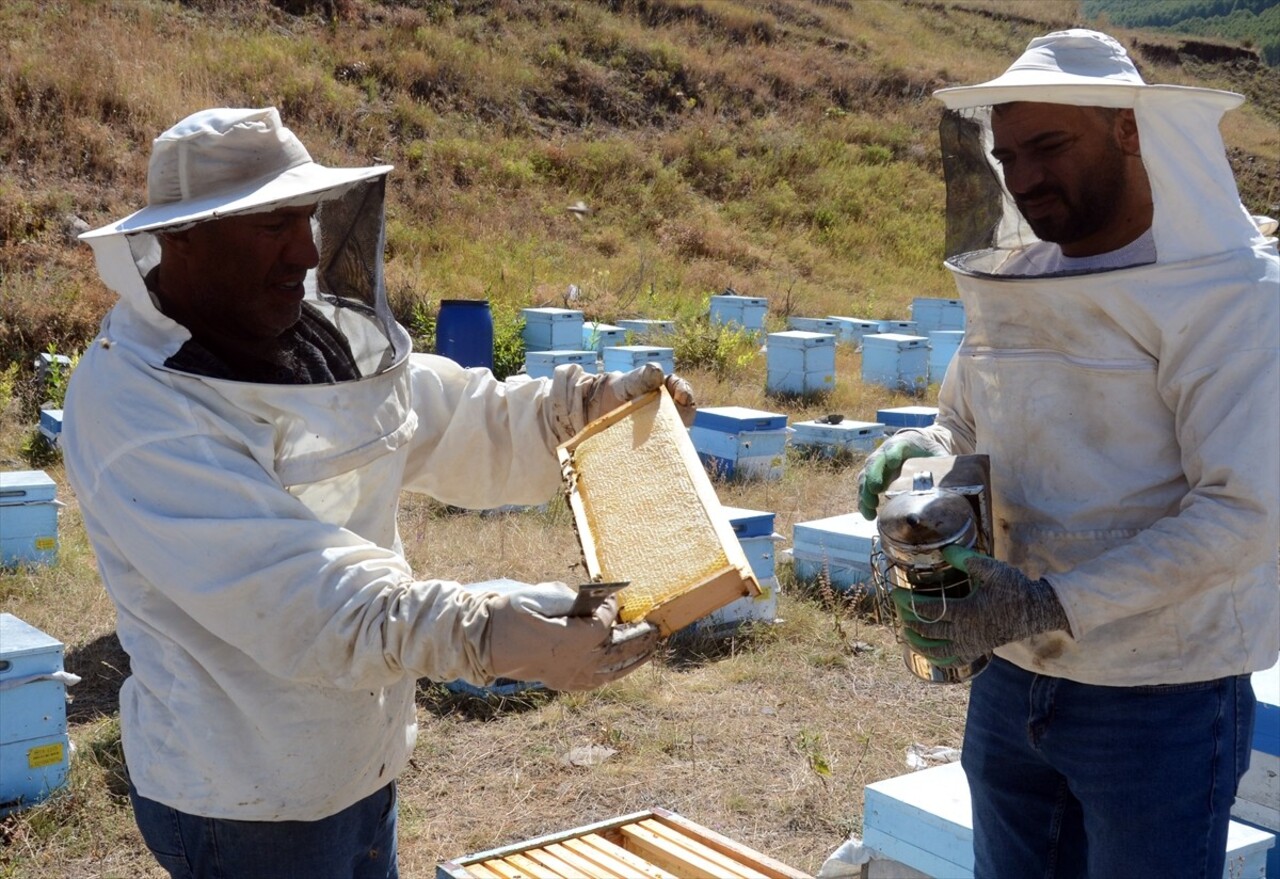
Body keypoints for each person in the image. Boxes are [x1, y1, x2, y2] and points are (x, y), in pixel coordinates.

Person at [61, 107, 697, 879]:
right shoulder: (136, 409)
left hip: (359, 760)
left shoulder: (312, 340)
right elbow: (311, 601)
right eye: (272, 225)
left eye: (307, 218)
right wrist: (482, 630)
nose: (305, 249)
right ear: (184, 237)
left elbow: (464, 419)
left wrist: (585, 411)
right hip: (244, 794)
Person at [857, 30, 1279, 879]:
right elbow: (964, 432)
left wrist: (1049, 602)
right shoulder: (1023, 277)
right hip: (1010, 679)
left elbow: (1244, 511)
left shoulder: (1231, 293)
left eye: (1049, 146)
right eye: (1008, 155)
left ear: (1129, 130)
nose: (1025, 177)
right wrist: (917, 456)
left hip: (1159, 696)